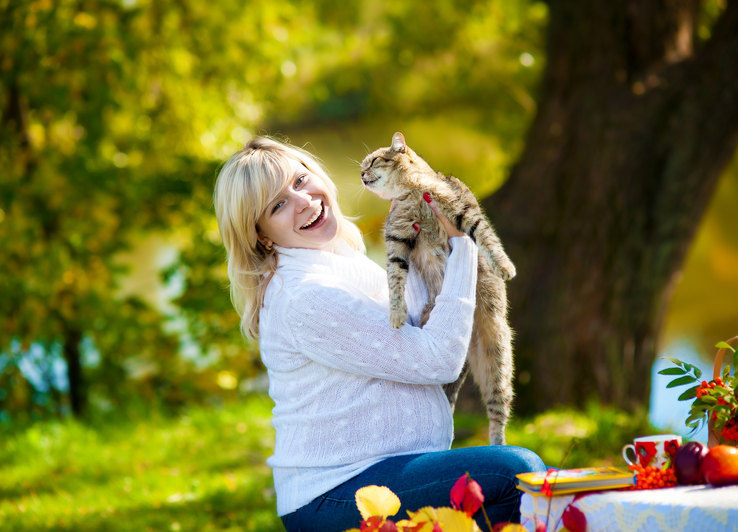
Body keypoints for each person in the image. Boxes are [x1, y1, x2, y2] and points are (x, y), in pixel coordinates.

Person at [214, 136, 545, 531]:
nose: (302, 201)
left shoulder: (340, 261)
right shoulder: (303, 296)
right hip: (334, 492)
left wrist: (425, 236)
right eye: (278, 206)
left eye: (300, 181)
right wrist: (463, 248)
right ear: (262, 236)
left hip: (388, 468)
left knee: (538, 483)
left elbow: (420, 322)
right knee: (514, 473)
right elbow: (437, 360)